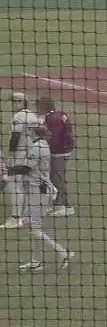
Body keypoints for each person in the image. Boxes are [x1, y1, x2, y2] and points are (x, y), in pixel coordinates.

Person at [10, 123, 70, 273]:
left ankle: (63, 252)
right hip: (37, 191)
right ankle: (37, 262)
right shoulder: (40, 145)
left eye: (29, 130)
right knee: (33, 226)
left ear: (34, 132)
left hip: (39, 192)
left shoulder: (37, 147)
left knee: (36, 229)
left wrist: (7, 171)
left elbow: (25, 169)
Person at [4, 92, 42, 230]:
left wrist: (11, 155)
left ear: (22, 102)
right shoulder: (32, 115)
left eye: (17, 101)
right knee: (28, 184)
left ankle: (16, 218)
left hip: (20, 153)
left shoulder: (19, 116)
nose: (15, 104)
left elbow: (15, 137)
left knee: (14, 184)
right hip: (33, 152)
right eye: (14, 101)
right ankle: (28, 215)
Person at [37, 97, 76, 217]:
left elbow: (54, 138)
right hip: (64, 149)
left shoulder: (53, 118)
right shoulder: (58, 114)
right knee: (54, 177)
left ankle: (65, 206)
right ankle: (58, 203)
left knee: (57, 178)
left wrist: (44, 147)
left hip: (59, 151)